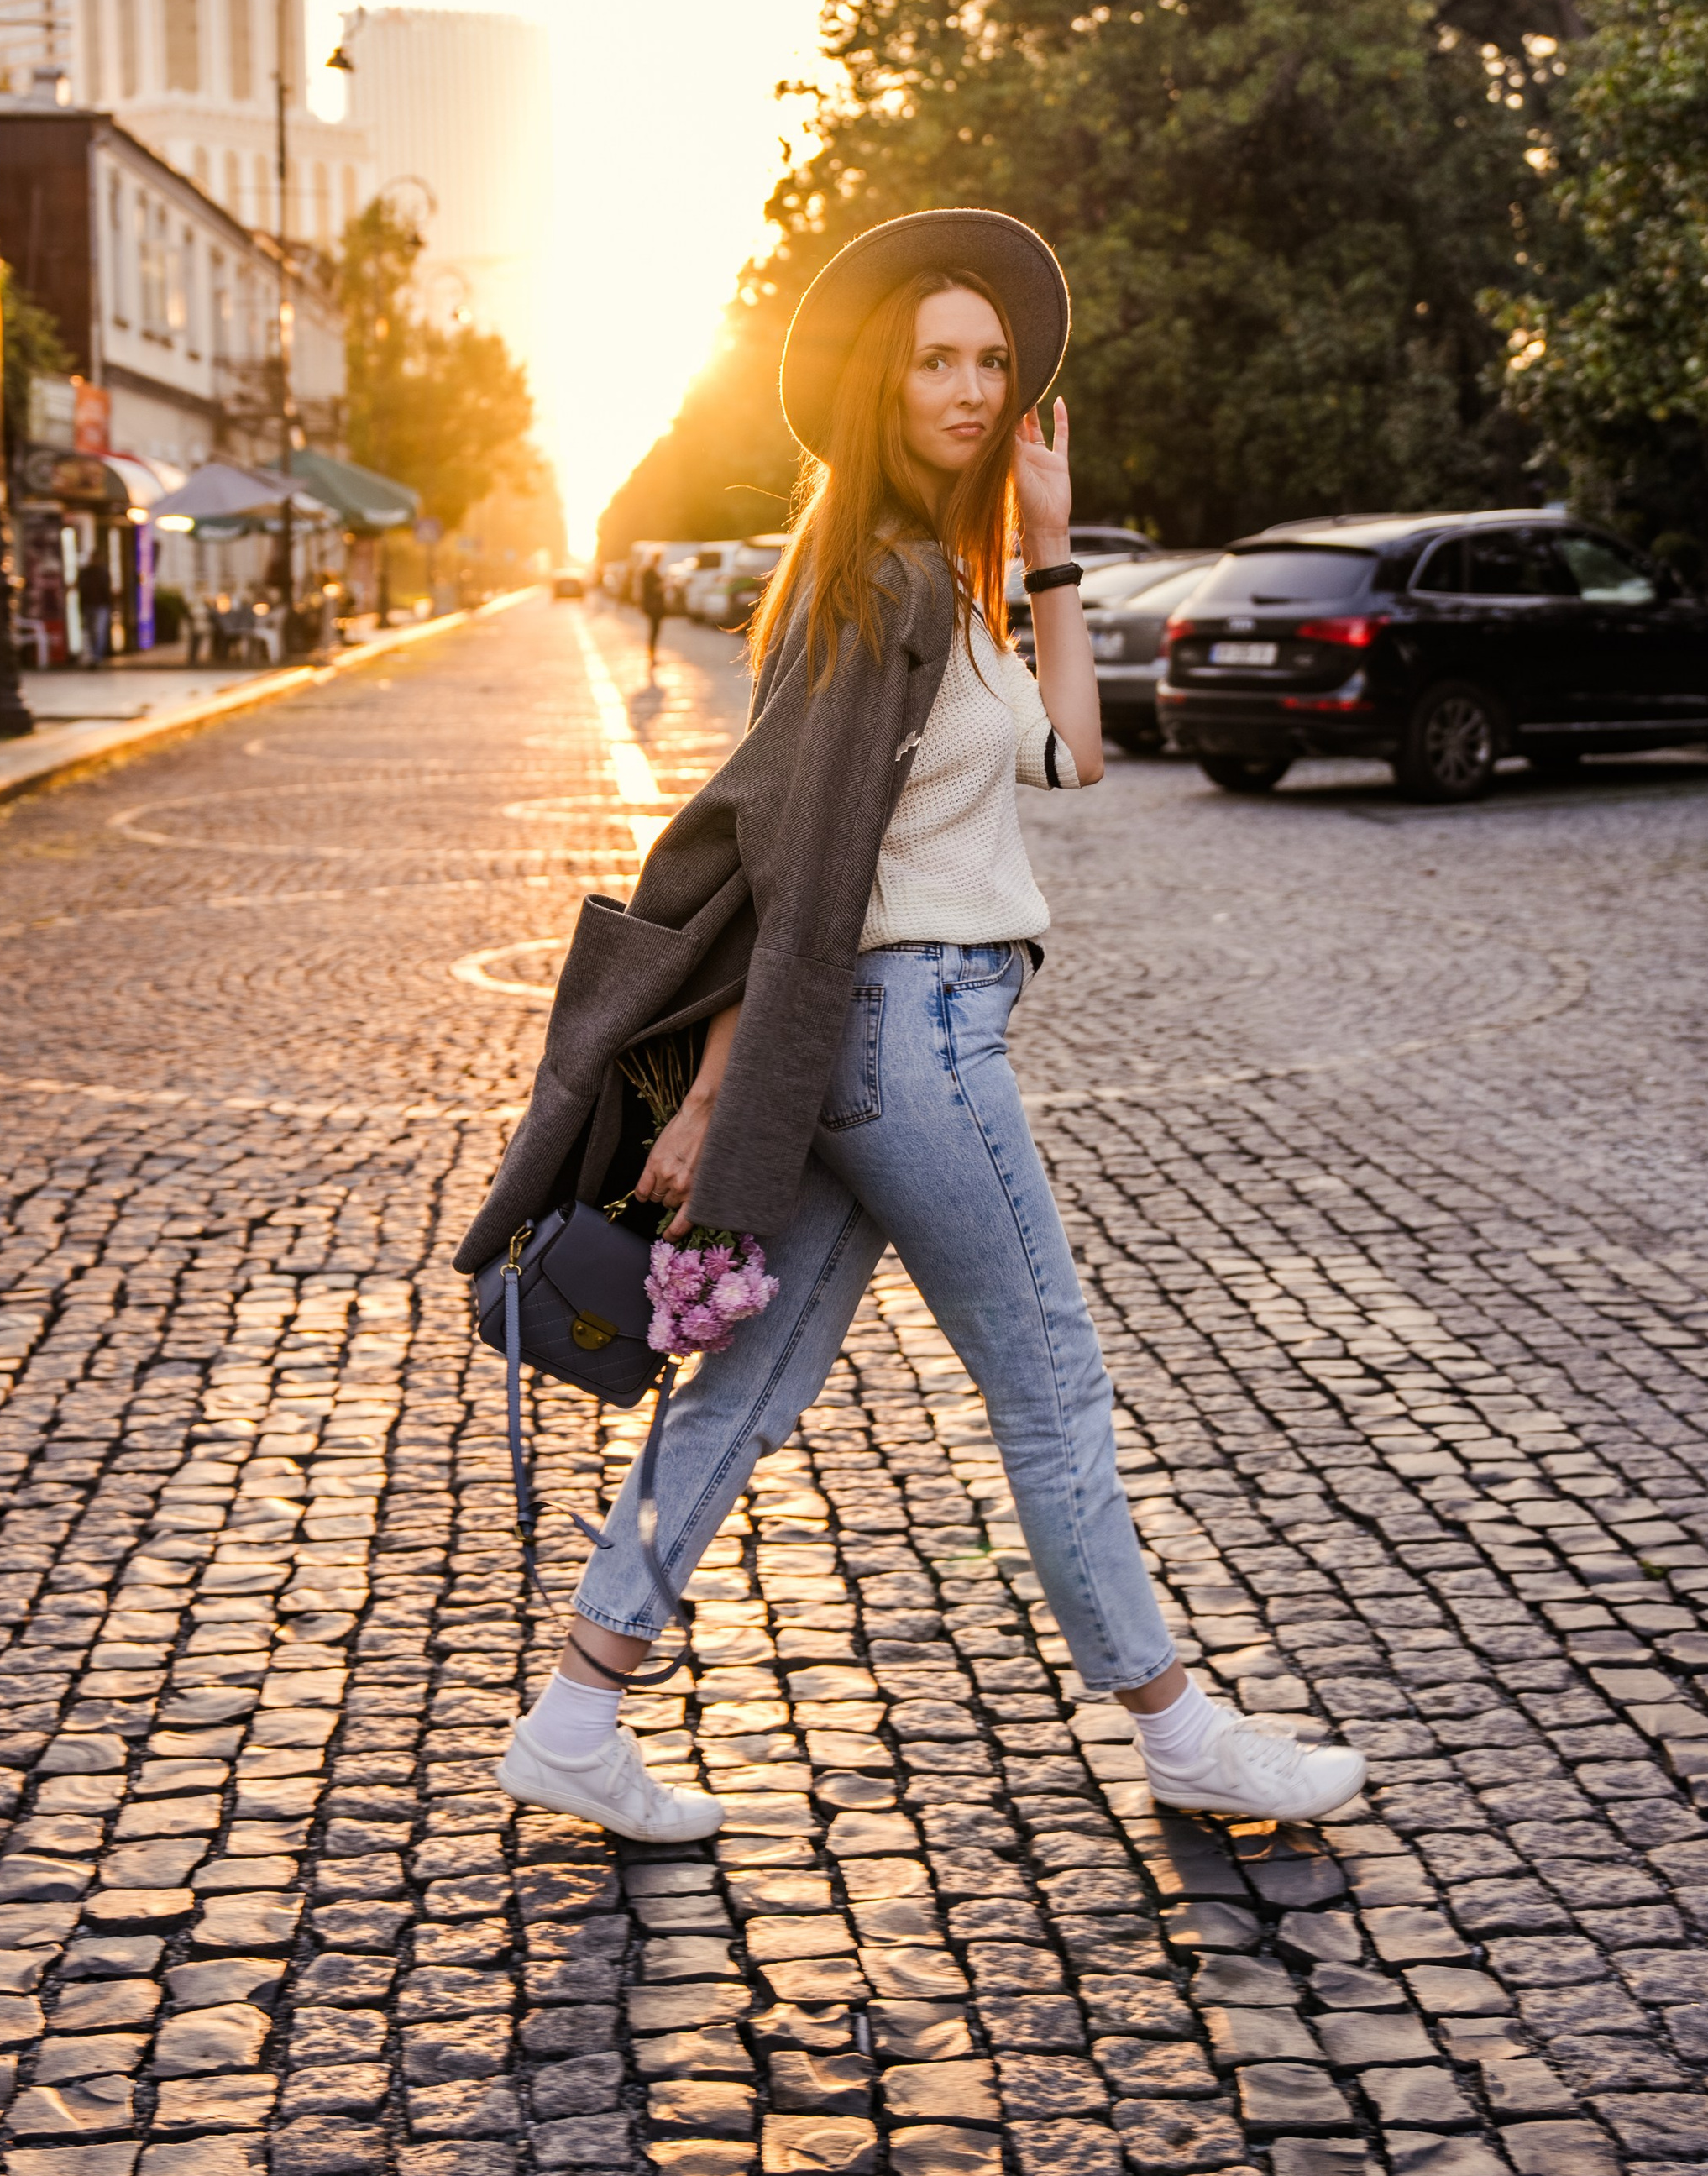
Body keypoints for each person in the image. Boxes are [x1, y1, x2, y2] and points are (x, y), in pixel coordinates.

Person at [458, 207, 1367, 1845]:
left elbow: (1074, 760)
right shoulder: (877, 585)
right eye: (936, 362)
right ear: (884, 386)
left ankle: (579, 1713)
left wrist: (1047, 548)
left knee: (738, 1396)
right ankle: (1176, 1732)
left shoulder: (933, 590)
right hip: (913, 1046)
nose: (965, 388)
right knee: (1051, 1388)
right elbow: (793, 871)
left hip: (859, 1057)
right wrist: (717, 1095)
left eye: (989, 363)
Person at [76, 544, 115, 669]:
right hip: (88, 605)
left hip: (101, 606)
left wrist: (110, 605)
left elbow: (107, 590)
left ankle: (97, 657)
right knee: (90, 632)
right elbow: (81, 589)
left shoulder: (103, 572)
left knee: (99, 631)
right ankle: (93, 655)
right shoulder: (85, 572)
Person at [638, 552, 668, 674]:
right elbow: (653, 589)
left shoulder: (649, 571)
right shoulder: (650, 572)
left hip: (654, 606)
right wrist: (665, 586)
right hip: (654, 606)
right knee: (654, 631)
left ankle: (652, 656)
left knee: (654, 631)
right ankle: (651, 656)